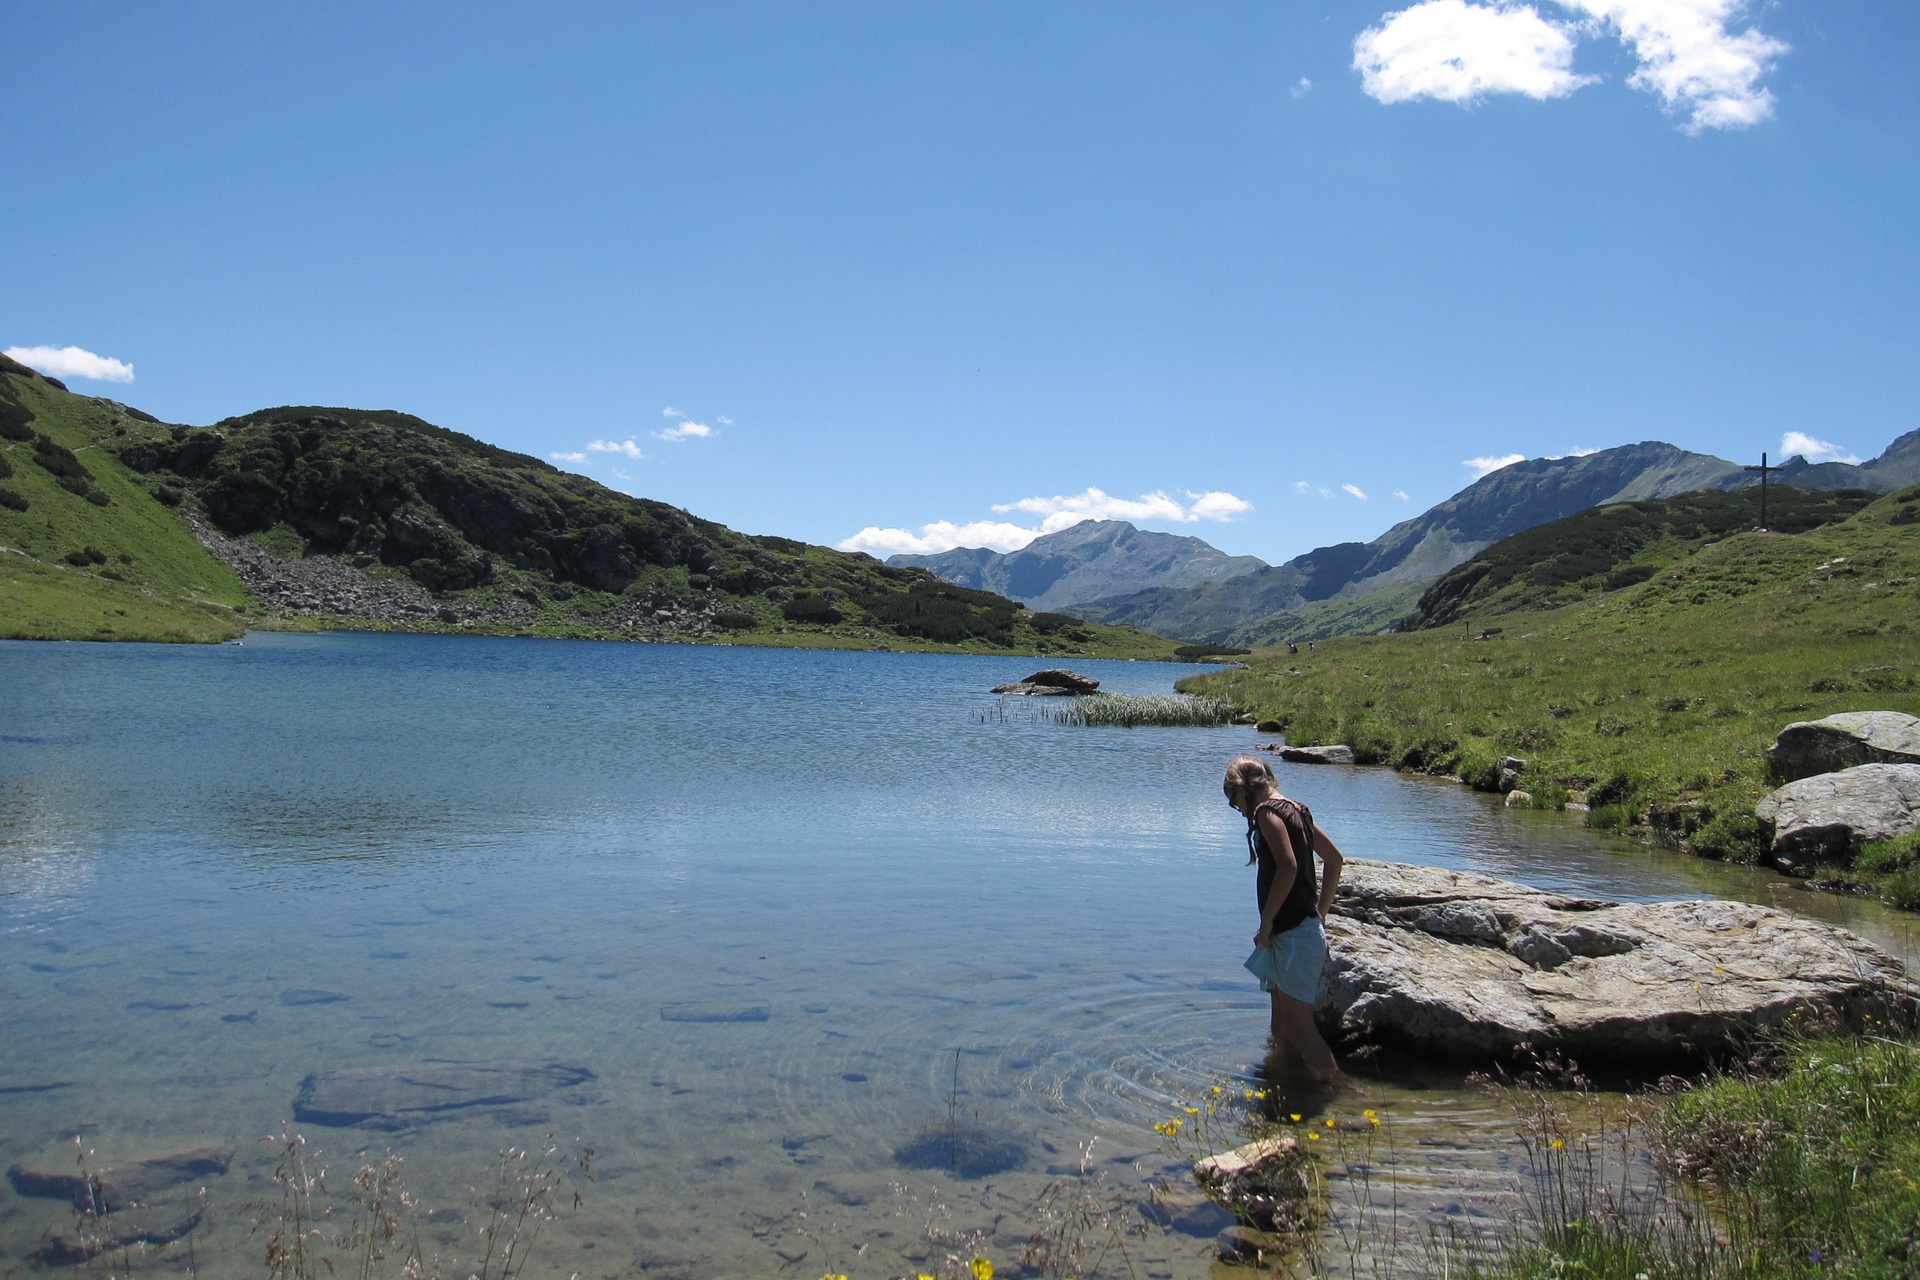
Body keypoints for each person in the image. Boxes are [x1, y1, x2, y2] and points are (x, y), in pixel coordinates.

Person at [1223, 755, 1347, 1080]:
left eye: (1236, 802)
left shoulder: (1266, 812)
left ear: (1246, 789)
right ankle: (1285, 1083)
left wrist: (1266, 923)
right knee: (1280, 1030)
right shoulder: (1298, 809)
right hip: (1296, 933)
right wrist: (1319, 914)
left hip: (1292, 937)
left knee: (1301, 1031)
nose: (1239, 811)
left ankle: (1346, 1093)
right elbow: (1334, 860)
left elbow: (1288, 866)